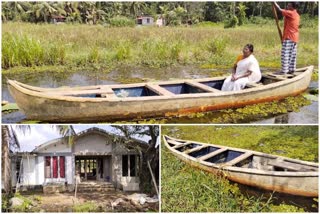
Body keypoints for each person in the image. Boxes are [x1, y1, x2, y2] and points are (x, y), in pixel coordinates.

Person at [273, 2, 300, 74]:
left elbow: (279, 9)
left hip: (289, 37)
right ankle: (291, 69)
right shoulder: (297, 14)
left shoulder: (291, 13)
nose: (287, 6)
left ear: (293, 7)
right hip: (294, 38)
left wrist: (273, 2)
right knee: (292, 54)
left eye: (289, 5)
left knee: (285, 55)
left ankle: (284, 71)